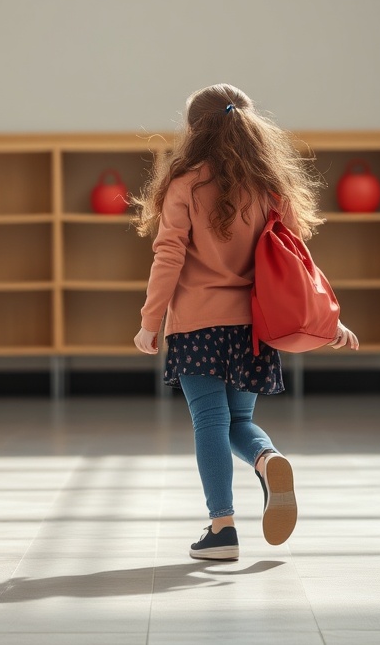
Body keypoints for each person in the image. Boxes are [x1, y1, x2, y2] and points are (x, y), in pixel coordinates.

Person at [132, 84, 359, 561]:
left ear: (194, 131)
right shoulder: (267, 187)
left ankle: (222, 528)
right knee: (239, 420)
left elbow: (168, 255)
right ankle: (267, 459)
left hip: (196, 326)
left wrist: (150, 321)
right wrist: (328, 318)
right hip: (254, 327)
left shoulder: (185, 184)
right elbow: (294, 260)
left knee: (210, 421)